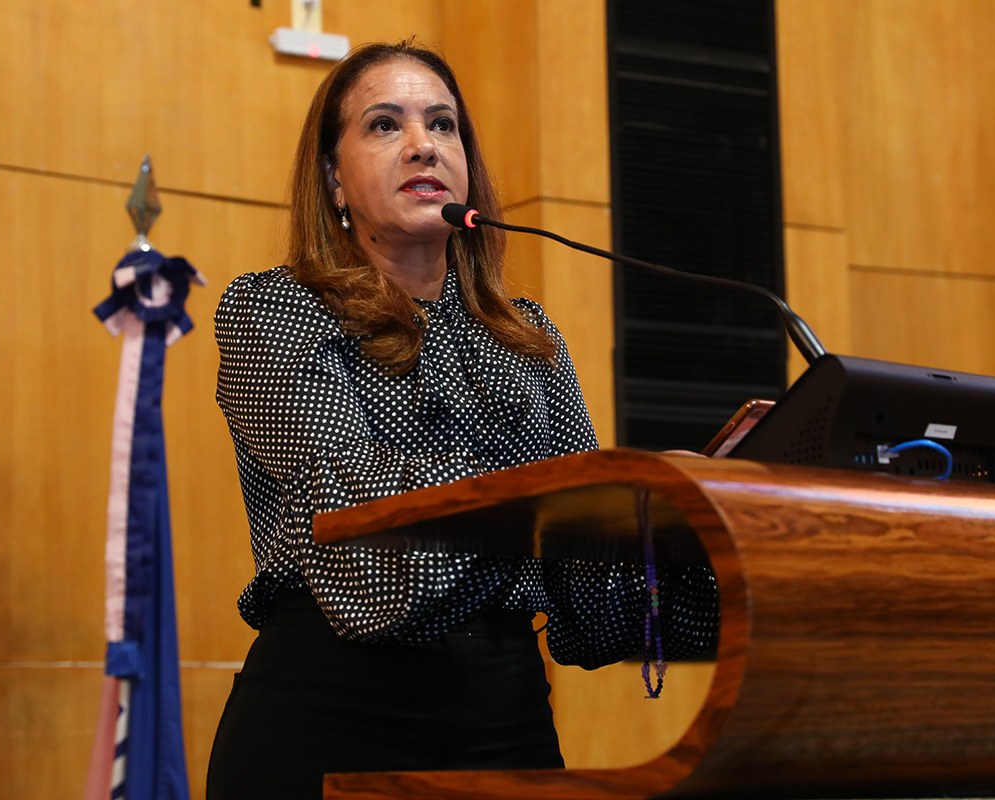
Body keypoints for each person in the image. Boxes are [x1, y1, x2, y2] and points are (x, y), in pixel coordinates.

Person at [206, 40, 718, 800]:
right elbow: (357, 504)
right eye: (385, 125)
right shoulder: (275, 310)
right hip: (333, 706)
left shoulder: (529, 335)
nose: (423, 144)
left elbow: (584, 578)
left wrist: (676, 513)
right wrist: (561, 496)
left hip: (505, 712)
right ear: (332, 179)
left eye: (443, 125)